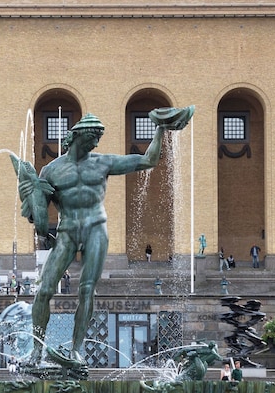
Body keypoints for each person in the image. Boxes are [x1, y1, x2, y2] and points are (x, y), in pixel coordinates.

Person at [12, 109, 192, 366]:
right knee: (44, 291)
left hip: (96, 228)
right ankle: (36, 351)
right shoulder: (51, 170)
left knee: (87, 289)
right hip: (67, 231)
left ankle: (75, 349)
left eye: (98, 139)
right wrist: (31, 200)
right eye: (92, 138)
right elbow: (38, 213)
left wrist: (161, 129)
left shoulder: (103, 163)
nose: (96, 143)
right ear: (76, 136)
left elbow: (148, 161)